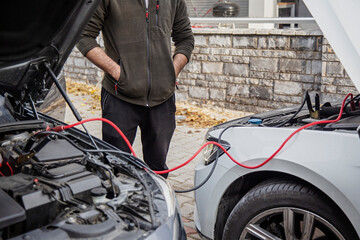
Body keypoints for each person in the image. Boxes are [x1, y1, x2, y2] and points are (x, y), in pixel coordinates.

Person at [76, 0, 194, 178]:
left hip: (162, 99)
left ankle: (156, 204)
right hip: (119, 97)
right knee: (115, 167)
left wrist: (172, 71)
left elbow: (185, 38)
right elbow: (83, 35)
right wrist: (117, 72)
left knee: (158, 169)